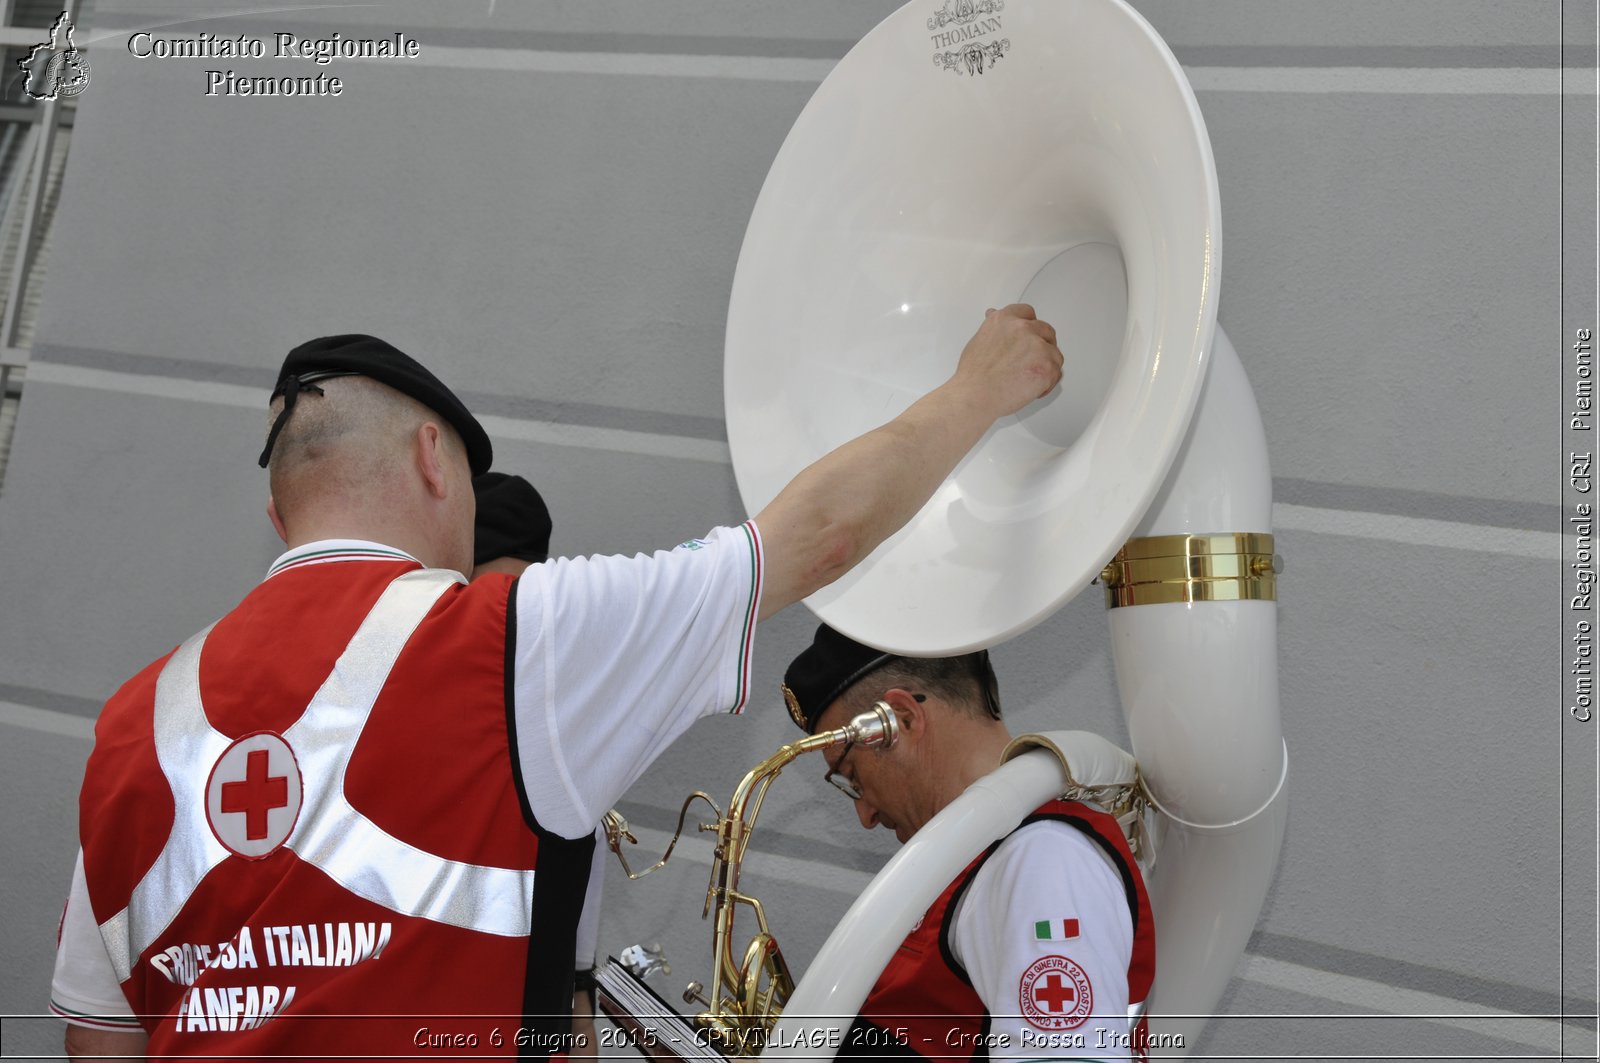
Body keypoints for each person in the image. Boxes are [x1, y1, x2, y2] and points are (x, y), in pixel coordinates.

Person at [48, 308, 1061, 1060]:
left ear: (281, 517)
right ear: (436, 463)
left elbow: (97, 1040)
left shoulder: (132, 721)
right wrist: (978, 389)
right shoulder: (508, 639)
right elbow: (816, 536)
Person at [782, 623, 1154, 1062]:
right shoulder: (977, 862)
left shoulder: (1043, 861)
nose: (865, 815)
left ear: (901, 719)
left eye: (853, 777)